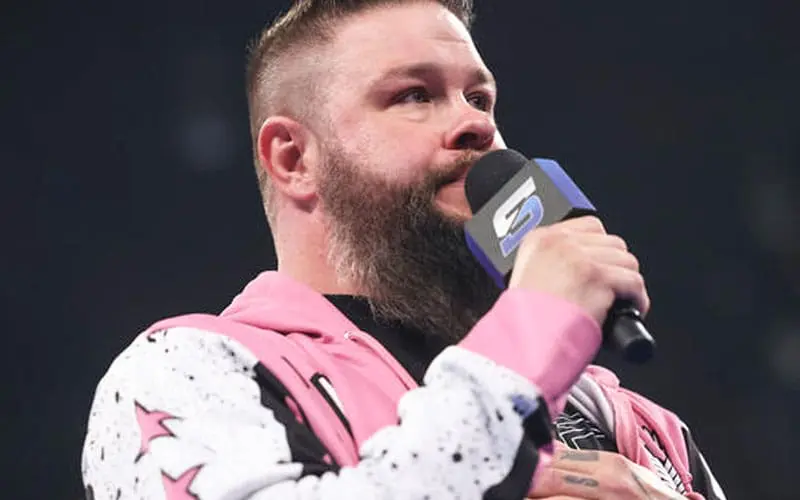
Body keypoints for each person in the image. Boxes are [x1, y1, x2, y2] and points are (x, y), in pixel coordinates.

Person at [81, 1, 727, 499]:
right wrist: (532, 333)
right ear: (294, 158)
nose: (477, 123)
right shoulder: (185, 373)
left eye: (480, 97)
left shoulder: (638, 424)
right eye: (414, 95)